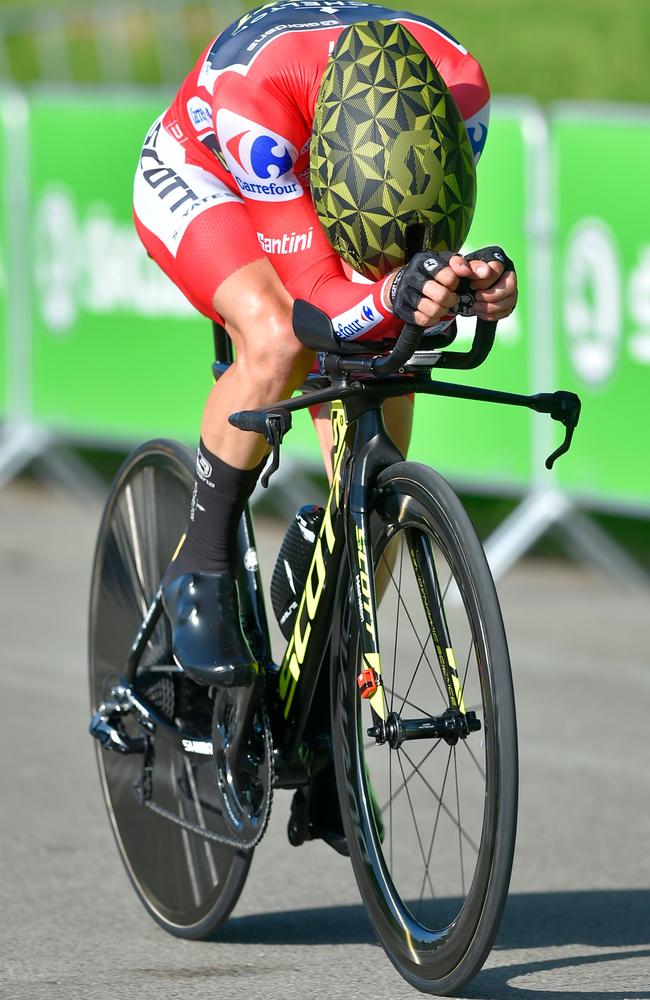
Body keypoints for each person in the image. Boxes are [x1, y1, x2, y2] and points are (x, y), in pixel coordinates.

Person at [133, 1, 518, 689]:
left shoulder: (460, 89)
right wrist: (391, 296)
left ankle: (327, 719)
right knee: (279, 334)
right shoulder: (262, 99)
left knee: (390, 356)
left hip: (329, 167)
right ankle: (203, 565)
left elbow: (417, 242)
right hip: (208, 173)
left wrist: (467, 284)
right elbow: (314, 296)